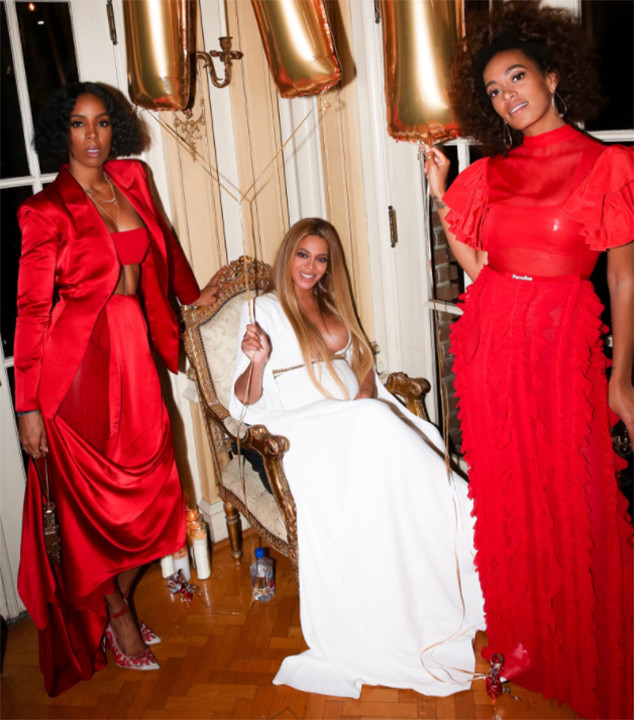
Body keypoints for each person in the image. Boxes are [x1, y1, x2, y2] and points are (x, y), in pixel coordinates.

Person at [423, 3, 633, 718]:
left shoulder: (607, 164)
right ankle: (525, 642)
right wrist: (441, 194)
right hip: (493, 345)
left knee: (575, 501)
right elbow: (481, 269)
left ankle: (584, 646)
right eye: (492, 89)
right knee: (511, 499)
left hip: (562, 348)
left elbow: (624, 278)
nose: (506, 96)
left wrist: (622, 380)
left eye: (516, 77)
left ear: (552, 75)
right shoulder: (491, 173)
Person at [14, 81, 219, 695]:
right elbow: (31, 311)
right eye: (79, 124)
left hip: (135, 351)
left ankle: (115, 603)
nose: (92, 136)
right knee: (94, 511)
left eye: (102, 122)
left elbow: (165, 247)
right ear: (62, 131)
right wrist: (27, 407)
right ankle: (119, 617)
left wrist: (192, 298)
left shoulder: (132, 179)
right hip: (79, 369)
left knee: (155, 498)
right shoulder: (45, 210)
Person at [229, 218, 485, 699]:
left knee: (402, 449)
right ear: (288, 255)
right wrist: (258, 361)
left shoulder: (331, 303)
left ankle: (469, 559)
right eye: (303, 255)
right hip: (303, 425)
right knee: (377, 426)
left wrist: (365, 396)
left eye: (321, 259)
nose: (311, 266)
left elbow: (362, 362)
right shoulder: (262, 309)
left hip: (356, 416)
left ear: (330, 266)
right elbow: (243, 399)